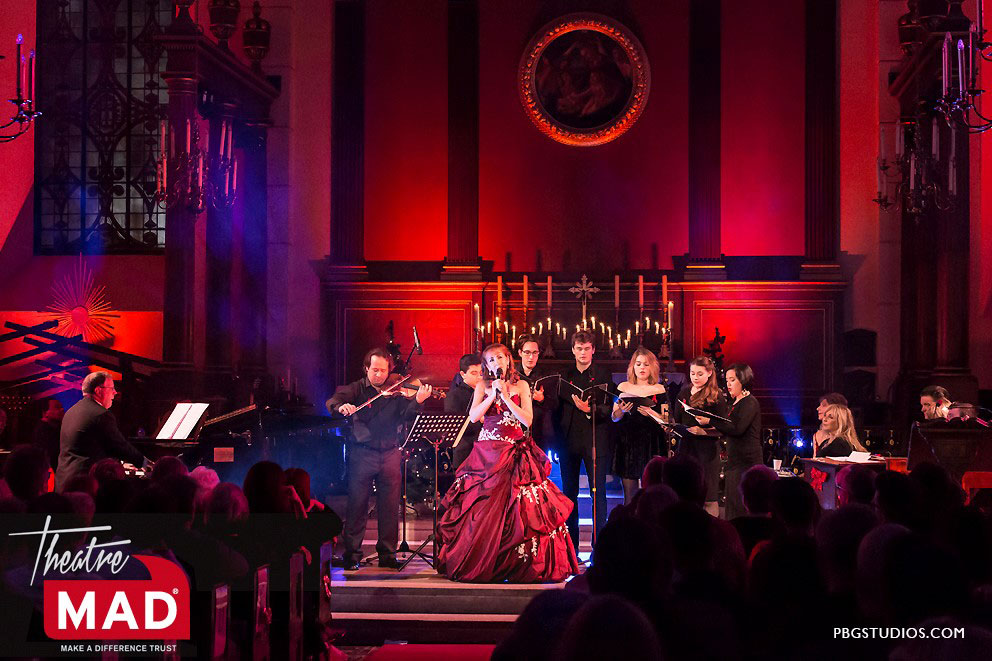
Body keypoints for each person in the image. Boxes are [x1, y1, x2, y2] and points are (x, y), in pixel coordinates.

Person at [438, 343, 578, 582]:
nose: (497, 363)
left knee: (521, 506)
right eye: (491, 360)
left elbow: (527, 420)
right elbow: (474, 416)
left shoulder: (521, 385)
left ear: (508, 360)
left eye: (500, 357)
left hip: (515, 449)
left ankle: (517, 564)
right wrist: (492, 395)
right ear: (486, 365)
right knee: (482, 505)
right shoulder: (482, 386)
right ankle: (483, 560)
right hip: (487, 454)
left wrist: (506, 397)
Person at [325, 348, 432, 570]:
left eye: (383, 371)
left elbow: (407, 416)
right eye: (375, 370)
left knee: (390, 507)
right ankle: (352, 555)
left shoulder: (396, 392)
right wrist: (341, 407)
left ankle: (387, 554)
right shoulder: (356, 389)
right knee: (357, 505)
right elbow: (333, 402)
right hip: (362, 453)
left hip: (391, 453)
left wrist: (418, 401)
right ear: (366, 368)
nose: (379, 375)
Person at [552, 330, 613, 548]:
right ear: (573, 350)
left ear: (593, 350)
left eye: (587, 348)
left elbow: (608, 408)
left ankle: (599, 548)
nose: (583, 353)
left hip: (594, 439)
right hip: (568, 441)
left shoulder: (602, 375)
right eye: (579, 349)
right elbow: (556, 410)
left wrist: (590, 410)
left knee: (598, 493)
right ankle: (571, 547)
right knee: (569, 493)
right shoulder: (564, 375)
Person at [55, 372, 150, 492]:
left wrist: (119, 464)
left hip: (65, 480)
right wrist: (145, 463)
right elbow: (119, 446)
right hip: (85, 483)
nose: (115, 392)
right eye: (112, 388)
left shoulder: (71, 412)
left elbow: (91, 446)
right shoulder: (100, 414)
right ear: (98, 390)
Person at [694, 362, 761, 520]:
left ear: (743, 380)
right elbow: (727, 428)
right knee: (732, 505)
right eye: (727, 380)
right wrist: (707, 429)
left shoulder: (750, 402)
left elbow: (737, 428)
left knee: (740, 507)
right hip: (734, 462)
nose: (728, 384)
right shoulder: (735, 402)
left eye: (732, 380)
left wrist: (710, 421)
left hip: (746, 463)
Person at [673, 356, 729, 517]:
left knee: (709, 498)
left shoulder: (716, 395)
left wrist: (704, 430)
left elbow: (724, 428)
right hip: (686, 449)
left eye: (699, 374)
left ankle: (711, 529)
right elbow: (677, 420)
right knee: (687, 496)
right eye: (692, 373)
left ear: (709, 373)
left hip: (707, 452)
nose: (695, 377)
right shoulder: (684, 392)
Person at [610, 348, 667, 505]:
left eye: (646, 364)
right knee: (630, 497)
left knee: (653, 494)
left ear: (652, 367)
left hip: (652, 443)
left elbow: (667, 420)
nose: (642, 368)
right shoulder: (623, 387)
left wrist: (651, 413)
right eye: (638, 364)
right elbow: (614, 417)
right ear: (632, 367)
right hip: (628, 444)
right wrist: (621, 411)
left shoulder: (660, 389)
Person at [516, 334, 556, 452]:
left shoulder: (546, 375)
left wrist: (542, 399)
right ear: (520, 353)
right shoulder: (513, 374)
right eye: (527, 352)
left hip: (540, 430)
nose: (531, 357)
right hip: (517, 428)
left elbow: (555, 404)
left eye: (535, 353)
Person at [445, 353, 483, 470]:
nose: (479, 377)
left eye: (481, 373)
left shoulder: (486, 392)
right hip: (465, 450)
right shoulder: (454, 395)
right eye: (474, 373)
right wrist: (481, 420)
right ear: (463, 374)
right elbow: (454, 426)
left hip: (485, 449)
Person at [31, 399, 64, 470]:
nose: (62, 409)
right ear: (45, 412)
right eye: (57, 407)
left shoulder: (58, 428)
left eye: (61, 407)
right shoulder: (42, 431)